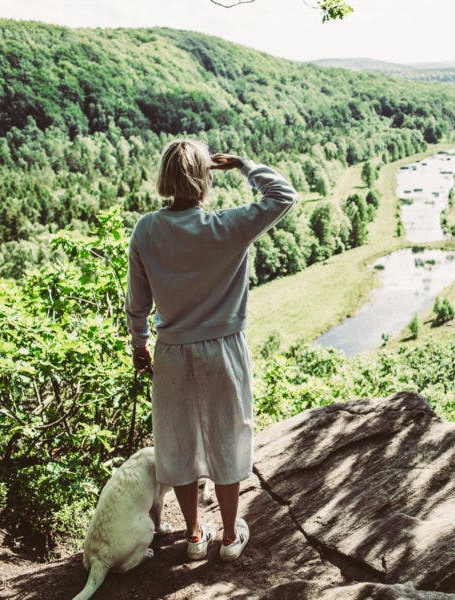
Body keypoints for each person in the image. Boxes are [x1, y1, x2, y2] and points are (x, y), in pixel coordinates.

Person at [125, 139, 297, 561]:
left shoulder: (147, 229)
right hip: (223, 351)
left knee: (177, 443)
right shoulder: (227, 226)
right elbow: (283, 195)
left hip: (171, 350)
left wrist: (139, 342)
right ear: (205, 179)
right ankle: (228, 538)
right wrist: (244, 165)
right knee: (227, 437)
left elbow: (138, 300)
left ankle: (194, 536)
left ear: (165, 178)